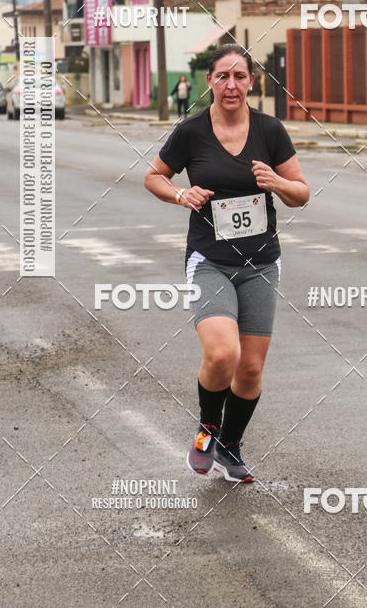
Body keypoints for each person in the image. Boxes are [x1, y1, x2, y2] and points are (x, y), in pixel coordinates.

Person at [144, 44, 309, 483]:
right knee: (223, 354)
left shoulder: (270, 131)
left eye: (240, 76)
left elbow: (302, 193)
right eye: (223, 76)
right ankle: (206, 430)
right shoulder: (192, 131)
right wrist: (181, 194)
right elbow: (153, 175)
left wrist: (276, 182)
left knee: (251, 369)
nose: (231, 84)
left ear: (252, 81)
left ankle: (230, 448)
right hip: (209, 260)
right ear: (210, 82)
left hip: (261, 263)